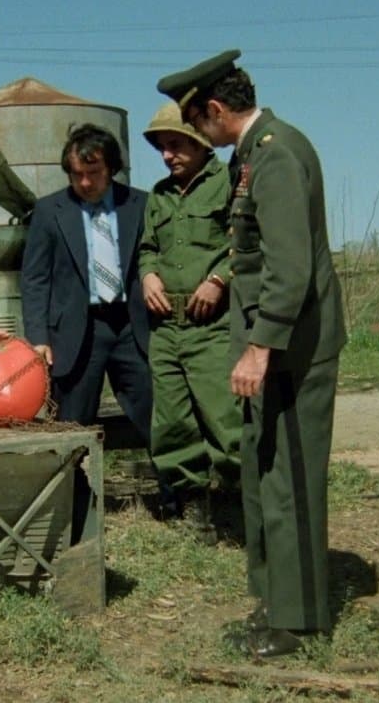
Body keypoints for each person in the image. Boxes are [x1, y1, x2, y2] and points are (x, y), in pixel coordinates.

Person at [158, 50, 347, 658]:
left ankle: (296, 622)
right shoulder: (257, 152)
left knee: (290, 480)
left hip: (292, 351)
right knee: (264, 477)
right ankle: (276, 601)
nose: (197, 136)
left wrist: (259, 348)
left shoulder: (278, 154)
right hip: (271, 348)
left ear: (215, 110)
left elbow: (289, 269)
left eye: (196, 123)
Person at [138, 102, 241, 534]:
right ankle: (194, 510)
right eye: (162, 147)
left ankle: (241, 509)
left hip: (211, 327)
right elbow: (147, 248)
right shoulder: (159, 195)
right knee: (173, 423)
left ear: (200, 143)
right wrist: (147, 276)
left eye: (176, 145)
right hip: (166, 329)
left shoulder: (229, 183)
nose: (167, 155)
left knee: (225, 420)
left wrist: (220, 278)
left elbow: (247, 241)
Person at [20, 124, 152, 443]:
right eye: (76, 174)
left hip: (132, 328)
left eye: (93, 172)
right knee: (71, 428)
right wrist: (38, 337)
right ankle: (75, 493)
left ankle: (174, 492)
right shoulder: (50, 211)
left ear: (111, 169)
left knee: (157, 417)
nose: (85, 182)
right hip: (77, 332)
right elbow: (35, 278)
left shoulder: (141, 204)